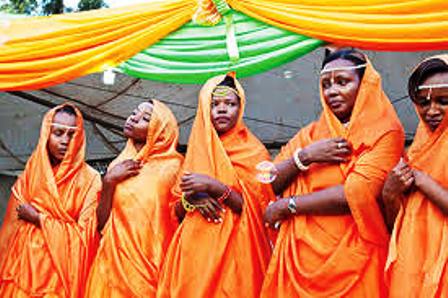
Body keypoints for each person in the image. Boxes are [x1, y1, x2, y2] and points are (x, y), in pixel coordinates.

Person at [261, 50, 404, 297]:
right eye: (326, 84)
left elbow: (357, 192)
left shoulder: (386, 131)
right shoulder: (311, 135)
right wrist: (303, 157)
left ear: (364, 85)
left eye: (343, 82)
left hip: (355, 262)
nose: (332, 91)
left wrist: (289, 205)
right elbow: (268, 181)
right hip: (299, 263)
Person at [157, 72, 274, 298]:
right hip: (194, 255)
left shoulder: (254, 152)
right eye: (215, 104)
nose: (221, 109)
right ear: (204, 109)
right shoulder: (196, 151)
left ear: (240, 108)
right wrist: (191, 200)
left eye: (229, 103)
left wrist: (216, 188)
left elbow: (259, 209)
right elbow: (175, 210)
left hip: (236, 254)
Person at [0, 104, 101, 297]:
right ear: (46, 134)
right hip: (21, 270)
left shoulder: (91, 179)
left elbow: (85, 238)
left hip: (59, 279)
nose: (65, 141)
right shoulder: (32, 172)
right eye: (58, 133)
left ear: (79, 137)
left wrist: (39, 219)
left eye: (71, 135)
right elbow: (10, 230)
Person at [85, 100, 183, 297]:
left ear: (159, 130)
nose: (134, 118)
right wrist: (109, 182)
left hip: (152, 264)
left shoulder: (173, 167)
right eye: (134, 113)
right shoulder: (117, 165)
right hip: (111, 263)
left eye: (145, 119)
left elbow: (179, 216)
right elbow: (101, 223)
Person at [384, 55, 448, 297]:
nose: (432, 110)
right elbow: (395, 225)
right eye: (423, 102)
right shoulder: (419, 145)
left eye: (444, 101)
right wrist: (390, 193)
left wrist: (421, 180)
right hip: (413, 263)